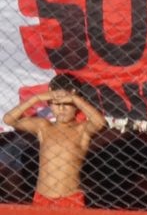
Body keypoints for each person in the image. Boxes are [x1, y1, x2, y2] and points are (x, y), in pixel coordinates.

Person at [4, 74, 108, 207]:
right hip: (42, 198)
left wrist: (75, 98)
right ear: (49, 104)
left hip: (70, 199)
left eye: (67, 104)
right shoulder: (44, 127)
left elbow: (100, 123)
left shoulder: (81, 130)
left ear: (76, 105)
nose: (61, 109)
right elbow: (9, 119)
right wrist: (37, 98)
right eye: (57, 104)